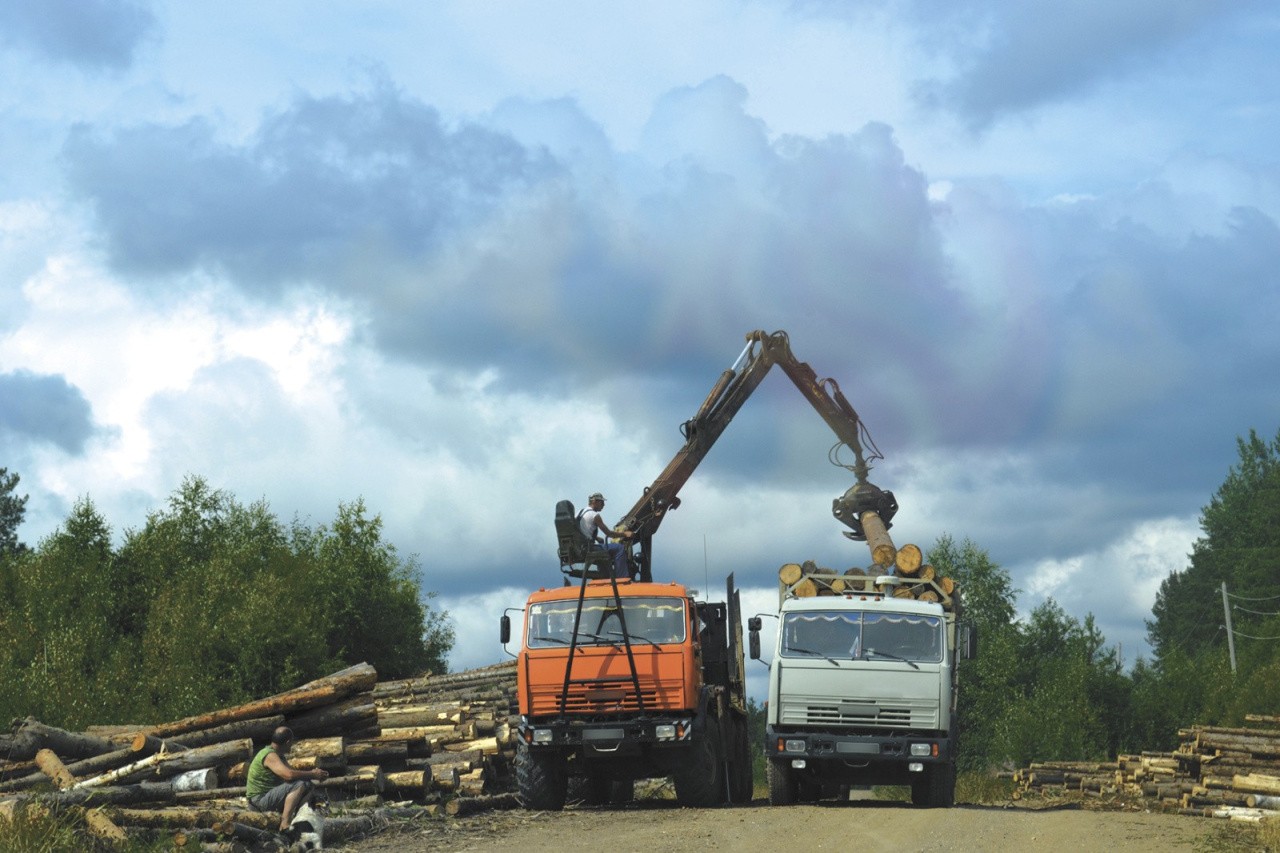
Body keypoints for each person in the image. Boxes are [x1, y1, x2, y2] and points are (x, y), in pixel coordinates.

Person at [245, 726, 329, 838]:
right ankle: (284, 825)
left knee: (308, 785)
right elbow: (288, 775)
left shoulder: (280, 756)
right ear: (288, 742)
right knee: (300, 784)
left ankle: (298, 820)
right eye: (292, 742)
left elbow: (293, 774)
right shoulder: (269, 755)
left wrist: (314, 775)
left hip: (268, 798)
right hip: (258, 802)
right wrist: (312, 774)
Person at [578, 492, 633, 578]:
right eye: (602, 502)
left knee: (601, 544)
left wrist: (595, 537)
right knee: (619, 548)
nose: (603, 505)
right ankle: (621, 578)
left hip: (580, 547)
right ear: (595, 501)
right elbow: (609, 533)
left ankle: (605, 575)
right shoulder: (595, 516)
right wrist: (625, 534)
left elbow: (579, 530)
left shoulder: (580, 513)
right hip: (588, 548)